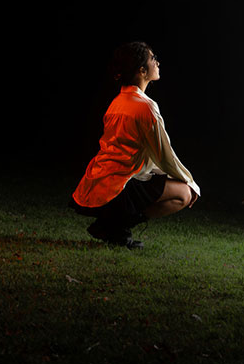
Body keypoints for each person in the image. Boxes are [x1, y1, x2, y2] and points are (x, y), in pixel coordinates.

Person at [70, 41, 200, 248]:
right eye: (152, 59)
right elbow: (165, 156)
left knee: (159, 181)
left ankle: (112, 225)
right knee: (184, 193)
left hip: (99, 180)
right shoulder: (145, 107)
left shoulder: (116, 103)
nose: (157, 62)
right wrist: (191, 182)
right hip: (121, 187)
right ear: (141, 70)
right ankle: (116, 225)